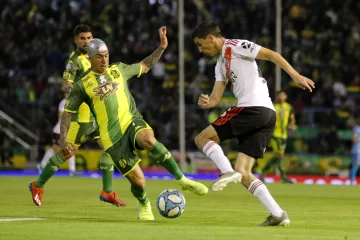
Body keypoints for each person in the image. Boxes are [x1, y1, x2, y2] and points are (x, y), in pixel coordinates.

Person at [60, 27, 208, 220]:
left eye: (106, 55)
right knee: (139, 182)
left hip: (131, 121)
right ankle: (144, 203)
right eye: (99, 57)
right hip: (113, 139)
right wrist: (63, 138)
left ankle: (183, 180)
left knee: (148, 138)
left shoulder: (118, 69)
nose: (104, 60)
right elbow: (67, 112)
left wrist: (162, 47)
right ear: (90, 58)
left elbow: (145, 65)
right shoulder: (82, 85)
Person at [192, 21, 314, 226]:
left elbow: (272, 55)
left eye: (200, 43)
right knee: (244, 172)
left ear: (210, 37)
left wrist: (295, 75)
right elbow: (215, 98)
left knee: (202, 138)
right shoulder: (221, 64)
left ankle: (226, 171)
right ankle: (278, 214)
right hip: (267, 115)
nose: (200, 49)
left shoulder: (235, 45)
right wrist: (207, 102)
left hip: (253, 109)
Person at [29, 24, 125, 207]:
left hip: (96, 115)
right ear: (75, 40)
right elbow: (66, 82)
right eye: (83, 38)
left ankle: (107, 191)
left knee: (110, 148)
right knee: (66, 152)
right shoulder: (74, 61)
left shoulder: (95, 57)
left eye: (89, 38)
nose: (87, 41)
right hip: (80, 118)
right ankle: (37, 185)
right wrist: (70, 89)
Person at [259, 90, 296, 183]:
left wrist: (292, 124)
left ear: (286, 96)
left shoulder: (289, 107)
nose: (282, 97)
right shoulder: (273, 106)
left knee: (279, 155)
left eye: (283, 95)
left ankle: (263, 171)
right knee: (280, 154)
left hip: (284, 135)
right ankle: (283, 177)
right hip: (275, 134)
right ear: (278, 96)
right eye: (280, 95)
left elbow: (292, 118)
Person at [37, 94, 76, 175]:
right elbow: (60, 115)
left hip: (67, 131)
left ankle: (72, 171)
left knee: (71, 149)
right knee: (55, 150)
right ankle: (42, 165)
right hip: (59, 131)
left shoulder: (73, 102)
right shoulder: (64, 102)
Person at [350, 111, 360, 185]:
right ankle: (352, 180)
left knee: (355, 164)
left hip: (356, 149)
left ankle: (352, 180)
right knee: (356, 165)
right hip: (357, 150)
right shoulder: (357, 128)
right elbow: (354, 139)